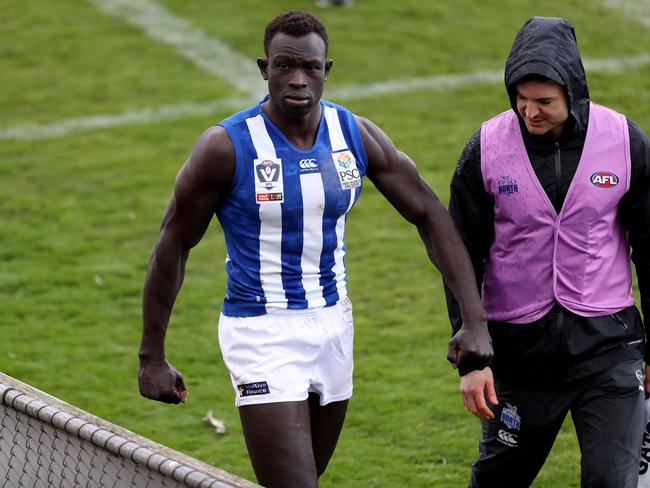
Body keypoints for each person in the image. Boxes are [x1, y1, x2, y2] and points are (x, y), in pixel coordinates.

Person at [137, 10, 492, 488]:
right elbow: (172, 244)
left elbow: (429, 214)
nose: (297, 80)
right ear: (265, 69)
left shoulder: (354, 134)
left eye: (310, 68)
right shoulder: (225, 147)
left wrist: (475, 320)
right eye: (284, 67)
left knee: (307, 474)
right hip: (260, 332)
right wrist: (151, 356)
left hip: (333, 327)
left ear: (328, 70)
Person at [445, 16, 650, 488]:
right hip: (519, 358)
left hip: (608, 350)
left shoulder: (625, 141)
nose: (530, 112)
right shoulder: (485, 147)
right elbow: (459, 257)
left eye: (544, 101)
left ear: (573, 92)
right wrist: (473, 358)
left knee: (612, 482)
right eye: (520, 99)